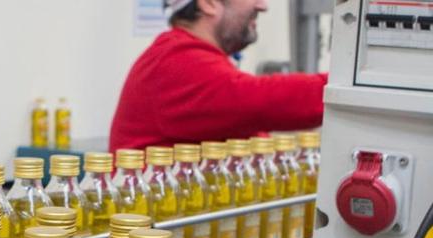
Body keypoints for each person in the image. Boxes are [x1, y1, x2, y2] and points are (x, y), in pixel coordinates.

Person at [109, 0, 327, 151]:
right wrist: (348, 87)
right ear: (209, 3)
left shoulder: (187, 55)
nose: (262, 5)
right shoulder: (176, 61)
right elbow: (262, 101)